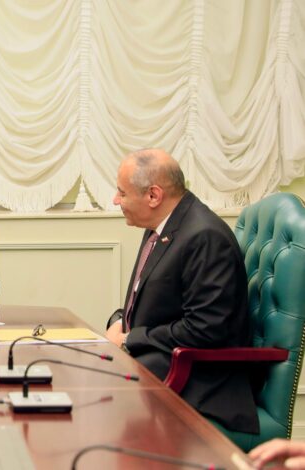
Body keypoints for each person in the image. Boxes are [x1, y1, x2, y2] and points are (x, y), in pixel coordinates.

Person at [105, 148, 258, 434]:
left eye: (122, 193)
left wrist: (128, 338)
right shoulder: (162, 226)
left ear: (153, 196)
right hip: (163, 360)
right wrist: (118, 320)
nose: (116, 200)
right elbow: (157, 303)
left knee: (100, 399)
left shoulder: (205, 237)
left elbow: (205, 329)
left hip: (203, 383)